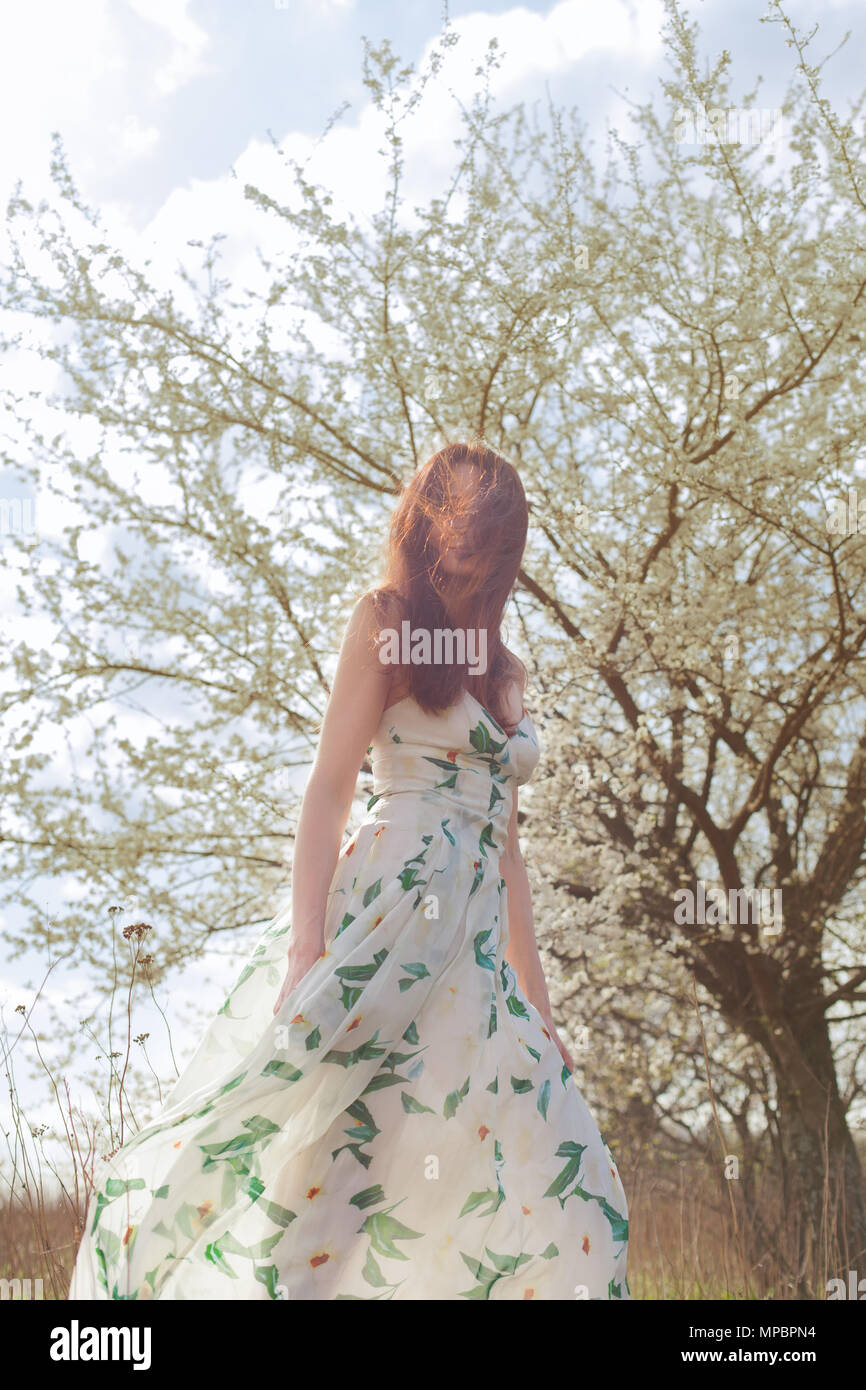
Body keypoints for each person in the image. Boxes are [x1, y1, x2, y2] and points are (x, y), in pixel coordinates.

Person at [68, 440, 630, 1300]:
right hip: (387, 918)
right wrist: (306, 945)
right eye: (466, 526)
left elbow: (506, 850)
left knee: (567, 1182)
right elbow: (330, 790)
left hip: (474, 960)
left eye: (497, 533)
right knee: (332, 1164)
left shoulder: (506, 669)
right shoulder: (384, 622)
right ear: (431, 523)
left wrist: (539, 1006)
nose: (478, 551)